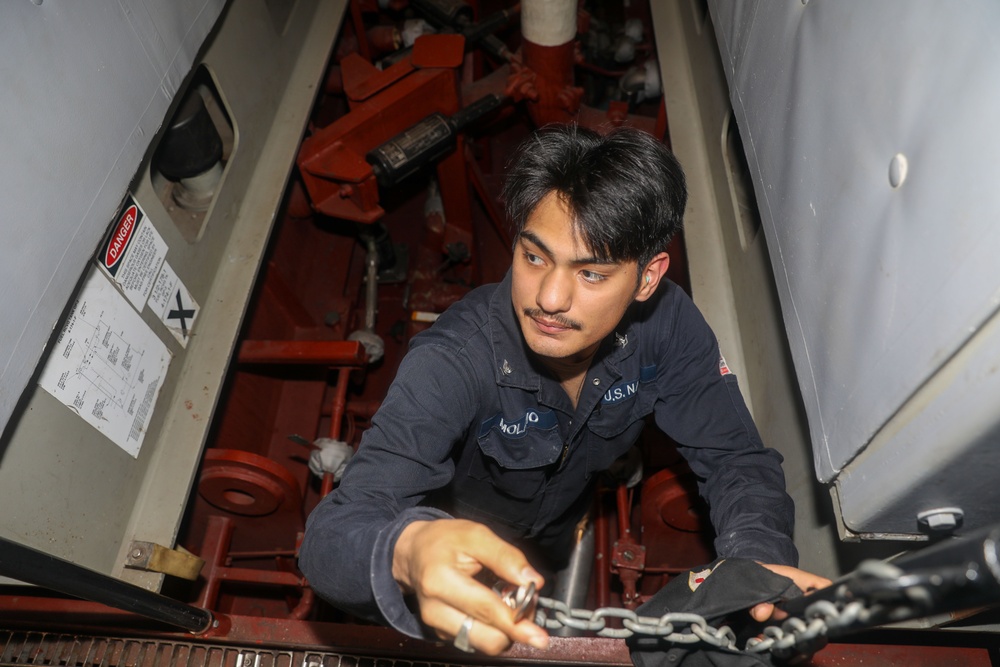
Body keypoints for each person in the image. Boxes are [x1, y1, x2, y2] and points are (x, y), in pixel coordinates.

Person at [299, 124, 828, 655]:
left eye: (591, 274)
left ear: (647, 278)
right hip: (461, 535)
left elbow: (735, 457)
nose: (549, 298)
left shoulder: (668, 327)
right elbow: (332, 535)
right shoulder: (452, 359)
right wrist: (405, 548)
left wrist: (755, 557)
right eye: (535, 257)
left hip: (562, 524)